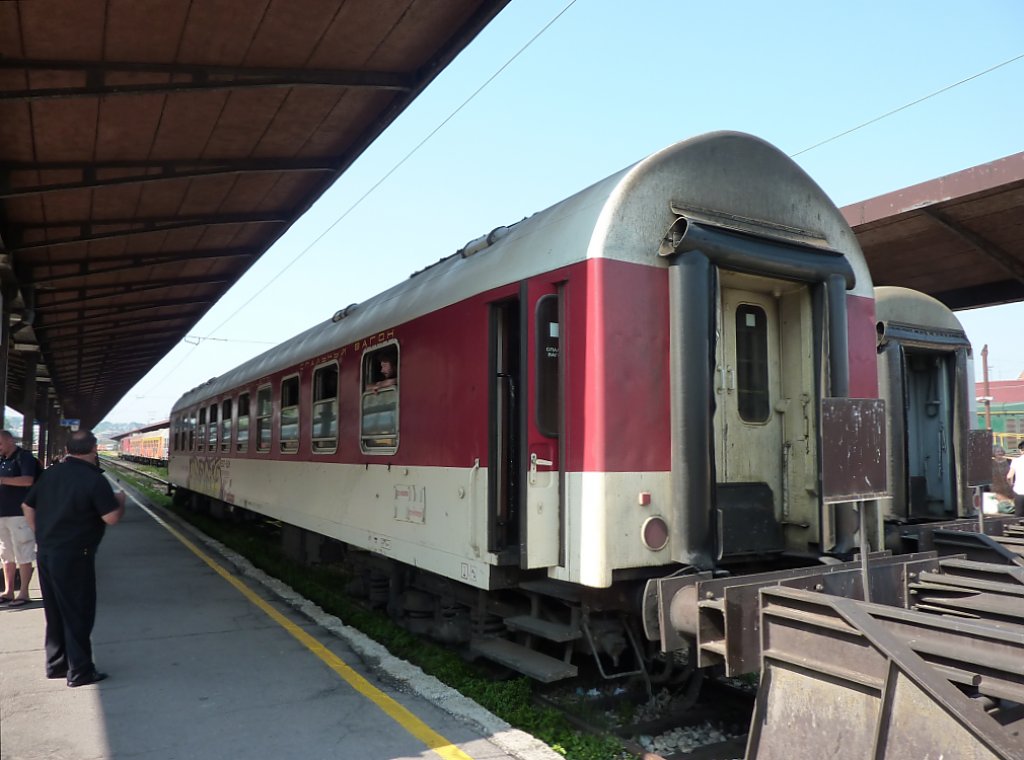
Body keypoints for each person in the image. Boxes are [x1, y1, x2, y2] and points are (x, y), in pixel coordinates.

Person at [22, 429, 125, 687]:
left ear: (67, 450)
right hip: (75, 555)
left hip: (46, 552)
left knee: (54, 611)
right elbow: (111, 517)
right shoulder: (94, 480)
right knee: (77, 612)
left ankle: (56, 665)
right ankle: (80, 671)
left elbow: (27, 506)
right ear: (94, 450)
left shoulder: (50, 474)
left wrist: (42, 534)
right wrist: (120, 501)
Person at [0, 429, 39, 607]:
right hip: (2, 514)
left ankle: (24, 592)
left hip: (19, 513)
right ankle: (8, 591)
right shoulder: (1, 459)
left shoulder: (24, 457)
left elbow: (27, 480)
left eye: (0, 444)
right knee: (6, 554)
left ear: (10, 441)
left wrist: (2, 480)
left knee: (23, 552)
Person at [1006, 440, 1024, 517]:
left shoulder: (1016, 461)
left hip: (1019, 490)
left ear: (1021, 450)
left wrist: (1011, 485)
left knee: (1019, 516)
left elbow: (1009, 476)